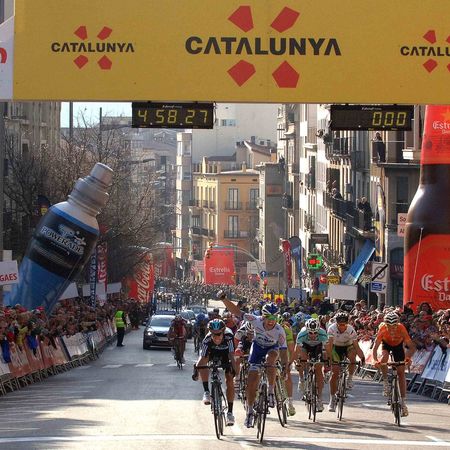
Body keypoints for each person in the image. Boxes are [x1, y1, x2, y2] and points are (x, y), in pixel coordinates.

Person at [241, 303, 288, 428]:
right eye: (268, 317)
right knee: (251, 382)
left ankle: (271, 391)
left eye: (274, 318)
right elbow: (237, 312)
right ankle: (250, 412)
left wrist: (285, 367)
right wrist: (224, 299)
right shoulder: (255, 320)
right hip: (257, 349)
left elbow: (283, 351)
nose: (271, 321)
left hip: (271, 349)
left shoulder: (279, 330)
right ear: (263, 316)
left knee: (270, 360)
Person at [193, 319, 237, 426]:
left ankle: (230, 413)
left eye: (219, 334)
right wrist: (196, 370)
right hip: (211, 353)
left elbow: (232, 355)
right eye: (213, 334)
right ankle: (206, 392)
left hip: (226, 354)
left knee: (230, 379)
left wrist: (235, 370)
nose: (216, 337)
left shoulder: (229, 337)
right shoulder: (207, 339)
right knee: (203, 365)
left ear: (223, 332)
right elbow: (202, 357)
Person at [372, 312, 416, 417]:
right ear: (385, 324)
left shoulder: (401, 328)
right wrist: (375, 360)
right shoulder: (382, 329)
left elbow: (411, 347)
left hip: (398, 346)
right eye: (389, 326)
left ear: (397, 324)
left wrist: (407, 358)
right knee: (384, 358)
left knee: (401, 373)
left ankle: (403, 403)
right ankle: (385, 382)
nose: (392, 329)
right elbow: (375, 348)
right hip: (386, 344)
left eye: (394, 326)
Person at [327, 311, 365, 412]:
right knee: (334, 373)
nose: (342, 326)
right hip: (336, 347)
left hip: (348, 346)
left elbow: (357, 346)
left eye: (344, 324)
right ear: (336, 323)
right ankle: (332, 399)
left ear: (347, 324)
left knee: (352, 356)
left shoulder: (351, 330)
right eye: (340, 324)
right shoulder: (331, 329)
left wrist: (362, 357)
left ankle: (350, 378)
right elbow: (329, 346)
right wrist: (329, 359)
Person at [292, 318, 329, 412]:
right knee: (302, 360)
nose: (313, 335)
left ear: (318, 330)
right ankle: (301, 379)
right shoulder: (302, 334)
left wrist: (327, 361)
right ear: (307, 330)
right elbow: (296, 350)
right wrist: (295, 361)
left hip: (318, 347)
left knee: (318, 368)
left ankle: (319, 399)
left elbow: (327, 350)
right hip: (305, 346)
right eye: (310, 333)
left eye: (315, 333)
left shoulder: (323, 333)